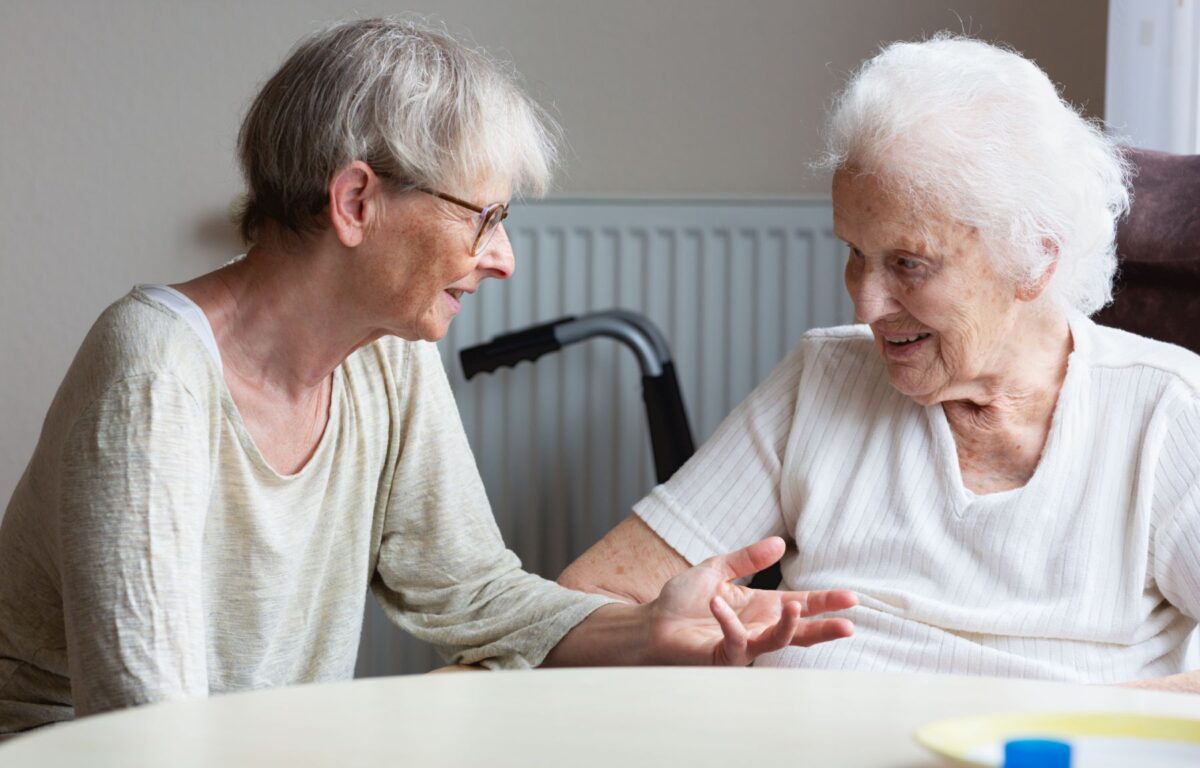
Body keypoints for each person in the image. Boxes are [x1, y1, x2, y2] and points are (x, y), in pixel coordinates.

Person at [0, 18, 858, 739]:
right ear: (357, 202)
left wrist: (651, 628)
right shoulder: (152, 367)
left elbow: (472, 592)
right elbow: (144, 728)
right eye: (484, 217)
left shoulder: (388, 354)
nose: (504, 259)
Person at [560, 34, 1200, 692]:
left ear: (1035, 259)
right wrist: (662, 637)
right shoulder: (824, 379)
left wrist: (1073, 727)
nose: (866, 304)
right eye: (855, 253)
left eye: (908, 264)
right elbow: (578, 602)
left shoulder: (1164, 413)